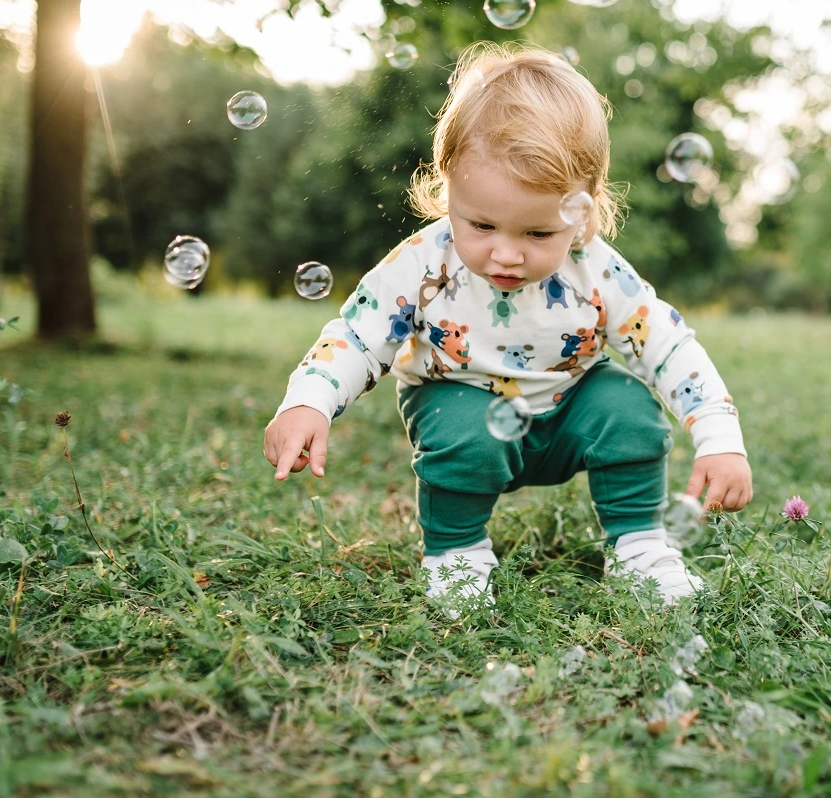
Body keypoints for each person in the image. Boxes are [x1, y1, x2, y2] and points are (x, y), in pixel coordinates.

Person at [263, 42, 752, 610]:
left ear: (583, 211)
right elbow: (357, 334)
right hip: (463, 403)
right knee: (460, 427)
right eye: (483, 224)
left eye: (537, 234)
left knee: (629, 409)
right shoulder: (425, 264)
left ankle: (641, 548)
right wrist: (309, 402)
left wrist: (718, 435)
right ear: (450, 192)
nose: (507, 254)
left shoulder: (594, 268)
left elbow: (665, 344)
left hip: (570, 408)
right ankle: (456, 556)